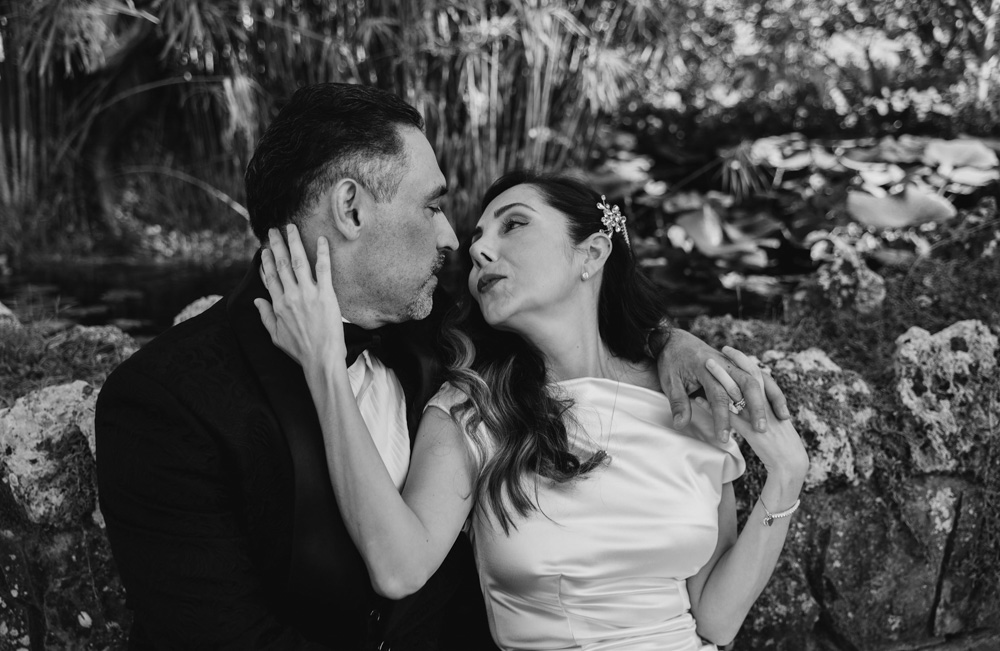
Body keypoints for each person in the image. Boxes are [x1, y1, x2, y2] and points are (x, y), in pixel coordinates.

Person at [96, 83, 789, 650]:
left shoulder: (439, 336)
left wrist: (670, 341)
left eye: (499, 224)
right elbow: (225, 639)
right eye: (434, 206)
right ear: (350, 207)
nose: (461, 241)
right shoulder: (168, 399)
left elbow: (578, 339)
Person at [256, 171, 809, 650]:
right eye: (476, 240)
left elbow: (717, 619)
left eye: (512, 225)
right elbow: (398, 568)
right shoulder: (472, 408)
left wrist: (786, 479)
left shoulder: (685, 401)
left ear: (592, 253)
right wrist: (325, 366)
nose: (478, 250)